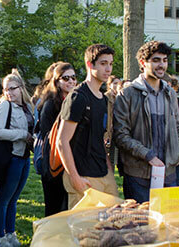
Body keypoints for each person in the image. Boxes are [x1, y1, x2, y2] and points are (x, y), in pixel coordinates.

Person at [113, 41, 179, 203]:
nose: (162, 65)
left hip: (168, 173)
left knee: (167, 224)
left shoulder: (170, 93)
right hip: (138, 175)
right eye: (156, 60)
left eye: (165, 60)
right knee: (140, 225)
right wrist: (148, 155)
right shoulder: (127, 94)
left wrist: (176, 152)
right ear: (143, 63)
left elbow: (178, 128)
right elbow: (121, 134)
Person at [57, 44, 118, 209]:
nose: (108, 69)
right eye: (103, 63)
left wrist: (108, 169)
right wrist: (75, 178)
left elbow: (99, 138)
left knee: (109, 227)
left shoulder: (103, 99)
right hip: (83, 176)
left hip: (103, 174)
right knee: (84, 231)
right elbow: (62, 141)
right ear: (90, 65)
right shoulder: (78, 97)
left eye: (111, 64)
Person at [0, 69, 34, 247]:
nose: (9, 93)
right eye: (6, 89)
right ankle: (0, 237)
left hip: (24, 157)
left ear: (21, 88)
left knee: (13, 199)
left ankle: (11, 233)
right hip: (11, 158)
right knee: (3, 199)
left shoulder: (28, 107)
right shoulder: (5, 105)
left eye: (13, 88)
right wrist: (22, 134)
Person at [37, 62, 76, 216]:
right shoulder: (50, 104)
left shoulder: (76, 100)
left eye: (73, 77)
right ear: (57, 81)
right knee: (54, 211)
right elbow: (50, 137)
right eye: (66, 78)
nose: (71, 81)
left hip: (72, 162)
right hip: (55, 164)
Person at [104, 75, 122, 171]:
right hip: (109, 132)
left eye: (118, 83)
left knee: (116, 158)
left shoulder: (120, 97)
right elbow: (106, 117)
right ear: (109, 84)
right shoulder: (106, 97)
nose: (116, 85)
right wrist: (106, 134)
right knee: (109, 158)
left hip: (117, 131)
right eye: (114, 83)